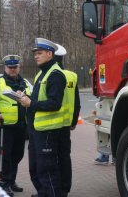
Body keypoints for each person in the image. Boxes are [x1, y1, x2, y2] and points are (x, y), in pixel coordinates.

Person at [19, 38, 69, 197]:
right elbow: (38, 99)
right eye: (35, 53)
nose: (36, 56)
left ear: (50, 54)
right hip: (36, 130)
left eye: (39, 53)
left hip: (47, 131)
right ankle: (43, 193)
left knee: (47, 171)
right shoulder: (43, 73)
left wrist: (30, 103)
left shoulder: (55, 74)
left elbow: (55, 103)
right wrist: (24, 97)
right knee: (36, 168)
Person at [0, 55, 31, 196]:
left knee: (17, 154)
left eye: (15, 67)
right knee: (4, 156)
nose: (12, 69)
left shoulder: (24, 83)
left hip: (21, 125)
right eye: (10, 67)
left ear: (19, 67)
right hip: (5, 126)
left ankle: (11, 180)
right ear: (5, 68)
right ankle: (3, 183)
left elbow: (31, 99)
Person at [54, 43, 81, 197]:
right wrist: (74, 121)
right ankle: (65, 188)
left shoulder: (47, 75)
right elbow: (76, 101)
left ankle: (55, 187)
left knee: (52, 158)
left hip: (51, 124)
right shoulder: (72, 75)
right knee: (64, 156)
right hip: (66, 125)